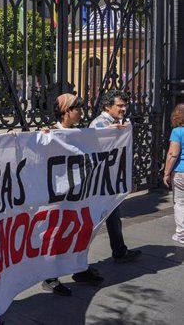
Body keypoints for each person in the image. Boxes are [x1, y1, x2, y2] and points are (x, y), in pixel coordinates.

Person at [40, 94, 104, 296]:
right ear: (67, 110)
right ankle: (50, 277)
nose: (81, 111)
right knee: (57, 236)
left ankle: (79, 269)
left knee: (82, 231)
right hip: (59, 197)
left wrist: (116, 131)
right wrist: (41, 137)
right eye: (78, 108)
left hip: (79, 195)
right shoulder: (51, 133)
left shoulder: (79, 132)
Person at [89, 89, 141, 262]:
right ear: (107, 106)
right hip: (100, 182)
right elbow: (95, 147)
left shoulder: (121, 122)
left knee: (113, 216)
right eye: (119, 105)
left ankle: (119, 251)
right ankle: (78, 261)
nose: (124, 108)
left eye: (125, 105)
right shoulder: (99, 123)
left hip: (112, 180)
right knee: (93, 222)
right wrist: (110, 133)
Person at [163, 103, 184, 244]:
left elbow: (172, 154)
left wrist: (166, 173)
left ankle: (181, 234)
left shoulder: (177, 132)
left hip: (181, 171)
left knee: (180, 202)